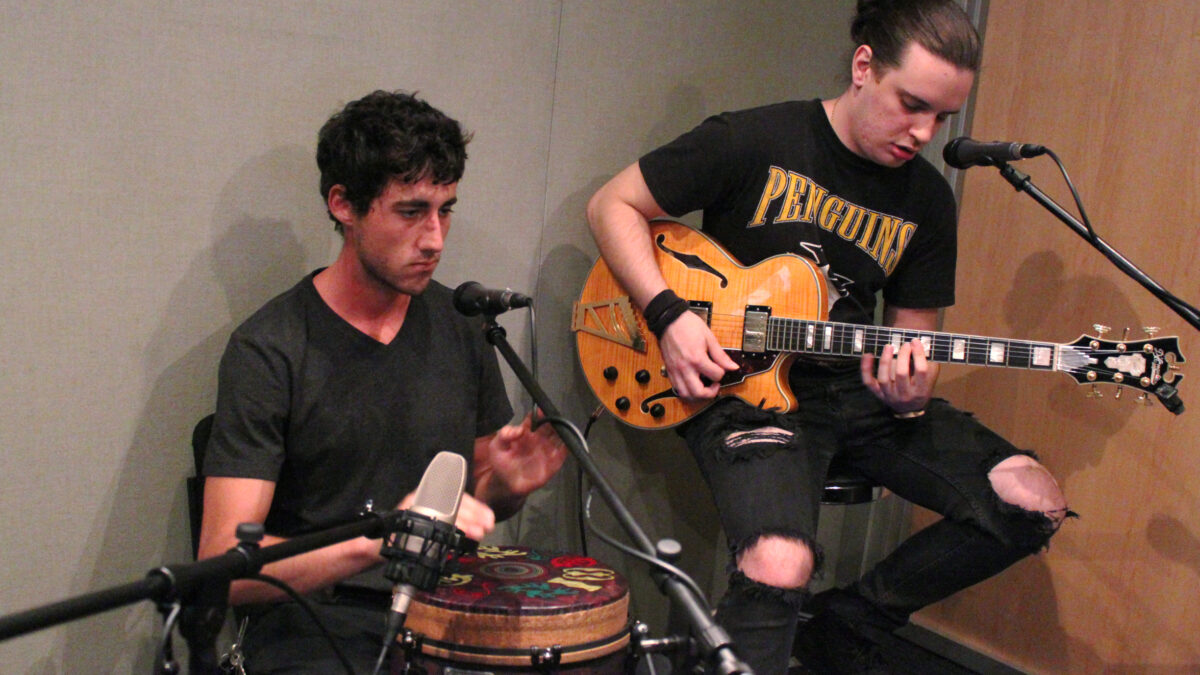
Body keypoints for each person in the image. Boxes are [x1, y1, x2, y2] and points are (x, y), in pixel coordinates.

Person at [586, 1, 1071, 672]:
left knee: (1032, 500)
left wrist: (909, 392)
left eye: (942, 118)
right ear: (864, 66)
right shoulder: (754, 138)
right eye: (912, 104)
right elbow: (611, 205)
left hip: (853, 389)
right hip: (739, 386)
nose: (923, 133)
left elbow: (914, 342)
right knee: (779, 561)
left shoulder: (928, 200)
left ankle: (846, 624)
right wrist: (669, 315)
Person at [198, 90, 566, 673]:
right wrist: (382, 539)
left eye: (445, 210)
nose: (435, 239)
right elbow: (223, 570)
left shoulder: (462, 323)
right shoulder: (269, 348)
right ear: (344, 204)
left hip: (442, 606)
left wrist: (506, 486)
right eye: (411, 212)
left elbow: (468, 503)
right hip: (316, 621)